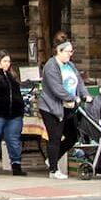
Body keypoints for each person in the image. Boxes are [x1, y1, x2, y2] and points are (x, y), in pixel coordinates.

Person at [36, 40, 81, 179]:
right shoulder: (51, 66)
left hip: (67, 107)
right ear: (59, 51)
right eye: (68, 51)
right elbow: (57, 89)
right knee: (54, 137)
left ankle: (52, 159)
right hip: (51, 107)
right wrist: (72, 98)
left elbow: (79, 81)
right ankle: (54, 170)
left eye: (71, 51)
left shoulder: (70, 66)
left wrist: (84, 95)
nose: (70, 54)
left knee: (73, 135)